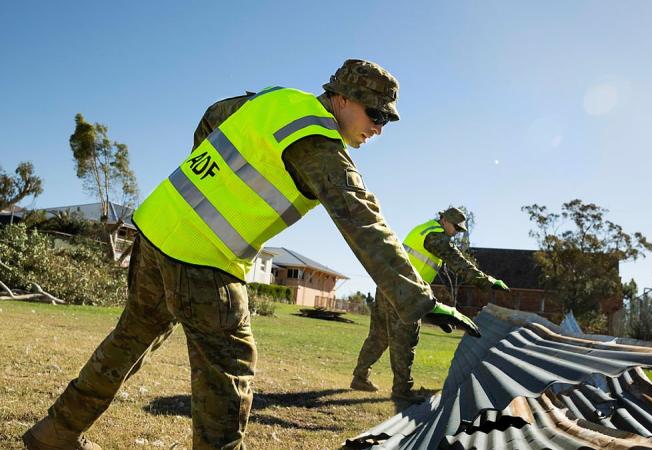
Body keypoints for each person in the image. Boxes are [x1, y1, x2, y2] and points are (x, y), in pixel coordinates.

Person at [23, 59, 480, 450]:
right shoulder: (319, 146)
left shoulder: (273, 99)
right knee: (229, 374)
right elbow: (363, 224)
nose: (379, 128)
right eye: (375, 114)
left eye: (387, 121)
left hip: (159, 228)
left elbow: (212, 116)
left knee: (128, 341)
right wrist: (421, 302)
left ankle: (55, 432)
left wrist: (209, 178)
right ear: (341, 98)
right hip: (206, 257)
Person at [351, 207, 510, 403]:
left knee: (380, 335)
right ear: (443, 220)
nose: (455, 233)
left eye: (459, 230)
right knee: (406, 338)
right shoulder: (435, 237)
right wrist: (486, 281)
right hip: (404, 292)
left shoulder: (423, 230)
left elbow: (419, 272)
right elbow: (457, 262)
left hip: (388, 285)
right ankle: (402, 390)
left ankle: (360, 376)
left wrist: (432, 310)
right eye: (455, 228)